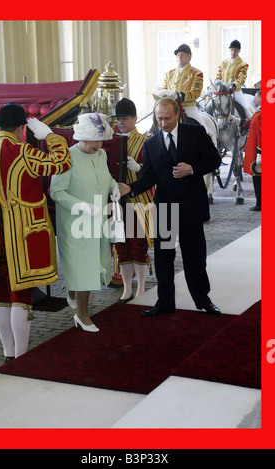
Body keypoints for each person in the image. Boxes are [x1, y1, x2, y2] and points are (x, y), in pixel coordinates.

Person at [119, 97, 222, 317]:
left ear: (177, 114)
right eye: (159, 119)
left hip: (192, 207)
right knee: (164, 257)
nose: (163, 123)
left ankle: (203, 300)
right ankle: (164, 303)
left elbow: (215, 160)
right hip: (165, 209)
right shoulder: (151, 143)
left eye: (167, 118)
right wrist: (131, 188)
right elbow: (149, 177)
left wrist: (193, 168)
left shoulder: (195, 133)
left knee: (195, 257)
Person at [0, 103, 71, 362]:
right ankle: (22, 356)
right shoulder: (22, 152)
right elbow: (62, 162)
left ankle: (7, 352)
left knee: (2, 295)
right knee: (21, 296)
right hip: (22, 235)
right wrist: (50, 136)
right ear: (22, 128)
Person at [50, 113, 121, 332]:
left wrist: (114, 187)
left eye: (101, 141)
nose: (99, 145)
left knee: (91, 262)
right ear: (82, 137)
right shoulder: (67, 157)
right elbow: (56, 191)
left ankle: (73, 292)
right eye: (95, 141)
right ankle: (82, 314)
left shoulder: (100, 155)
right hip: (74, 222)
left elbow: (106, 176)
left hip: (97, 219)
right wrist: (80, 206)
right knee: (84, 267)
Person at [162, 43, 217, 201]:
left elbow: (196, 91)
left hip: (189, 108)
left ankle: (211, 148)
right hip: (171, 108)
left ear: (189, 57)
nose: (179, 56)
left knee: (206, 131)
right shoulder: (169, 73)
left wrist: (179, 95)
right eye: (178, 54)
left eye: (183, 54)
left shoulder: (196, 73)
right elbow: (165, 88)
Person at [114, 98, 154, 303]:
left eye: (125, 119)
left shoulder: (146, 141)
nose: (121, 122)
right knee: (121, 245)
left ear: (135, 118)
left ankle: (140, 287)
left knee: (139, 245)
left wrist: (139, 168)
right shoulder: (111, 141)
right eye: (119, 119)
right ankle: (127, 287)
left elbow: (152, 172)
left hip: (139, 200)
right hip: (116, 202)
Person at [216, 39, 252, 119]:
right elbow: (218, 76)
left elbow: (242, 78)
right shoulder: (223, 63)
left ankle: (250, 125)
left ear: (239, 51)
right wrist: (216, 83)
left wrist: (234, 85)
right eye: (231, 50)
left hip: (235, 92)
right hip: (222, 91)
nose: (233, 52)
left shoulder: (243, 64)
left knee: (246, 108)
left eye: (235, 50)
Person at [243, 109, 261, 211]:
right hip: (253, 151)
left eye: (257, 97)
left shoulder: (261, 114)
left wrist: (260, 153)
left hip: (256, 152)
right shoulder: (259, 112)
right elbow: (251, 124)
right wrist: (239, 121)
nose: (254, 99)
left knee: (258, 179)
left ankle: (260, 204)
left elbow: (261, 134)